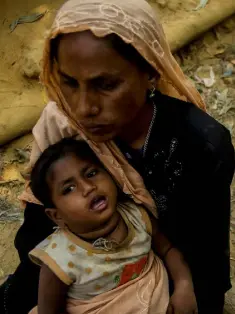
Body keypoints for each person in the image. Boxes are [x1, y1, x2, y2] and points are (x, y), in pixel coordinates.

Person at [0, 0, 234, 313]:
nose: (84, 108)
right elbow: (37, 231)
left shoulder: (199, 144)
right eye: (69, 82)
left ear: (150, 71)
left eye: (106, 84)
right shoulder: (62, 125)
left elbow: (204, 260)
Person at [28, 137, 197, 314]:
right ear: (57, 216)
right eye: (69, 189)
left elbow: (168, 249)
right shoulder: (60, 259)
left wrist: (184, 286)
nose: (88, 187)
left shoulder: (137, 216)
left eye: (91, 173)